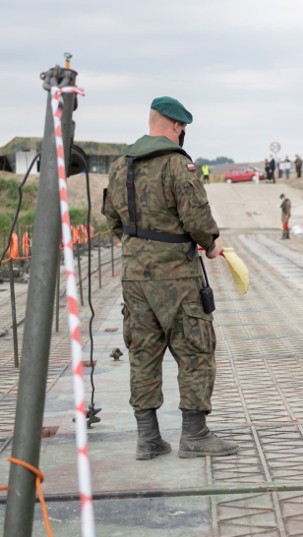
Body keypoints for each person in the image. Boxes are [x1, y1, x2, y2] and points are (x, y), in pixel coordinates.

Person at [102, 96, 238, 461]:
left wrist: (138, 247)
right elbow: (196, 218)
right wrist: (210, 244)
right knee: (195, 350)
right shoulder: (179, 165)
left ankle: (148, 439)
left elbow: (112, 219)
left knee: (143, 353)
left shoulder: (120, 166)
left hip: (135, 278)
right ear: (178, 127)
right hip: (177, 277)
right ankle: (194, 436)